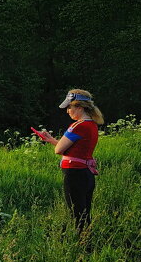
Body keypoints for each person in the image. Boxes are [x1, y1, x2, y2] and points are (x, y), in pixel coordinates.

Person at [33, 89, 104, 235]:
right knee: (84, 211)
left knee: (76, 213)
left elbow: (59, 150)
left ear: (79, 107)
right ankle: (87, 241)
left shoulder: (77, 126)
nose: (68, 111)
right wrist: (51, 140)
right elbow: (73, 149)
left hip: (74, 173)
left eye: (69, 107)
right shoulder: (92, 125)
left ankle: (82, 247)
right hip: (85, 173)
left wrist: (55, 145)